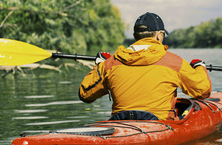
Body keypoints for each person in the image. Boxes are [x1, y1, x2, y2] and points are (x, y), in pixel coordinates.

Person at [78, 12, 212, 120]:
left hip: (121, 122)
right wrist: (199, 66)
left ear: (136, 36)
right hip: (160, 125)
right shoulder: (174, 62)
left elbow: (85, 94)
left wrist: (99, 65)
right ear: (159, 36)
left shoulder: (110, 63)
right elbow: (203, 91)